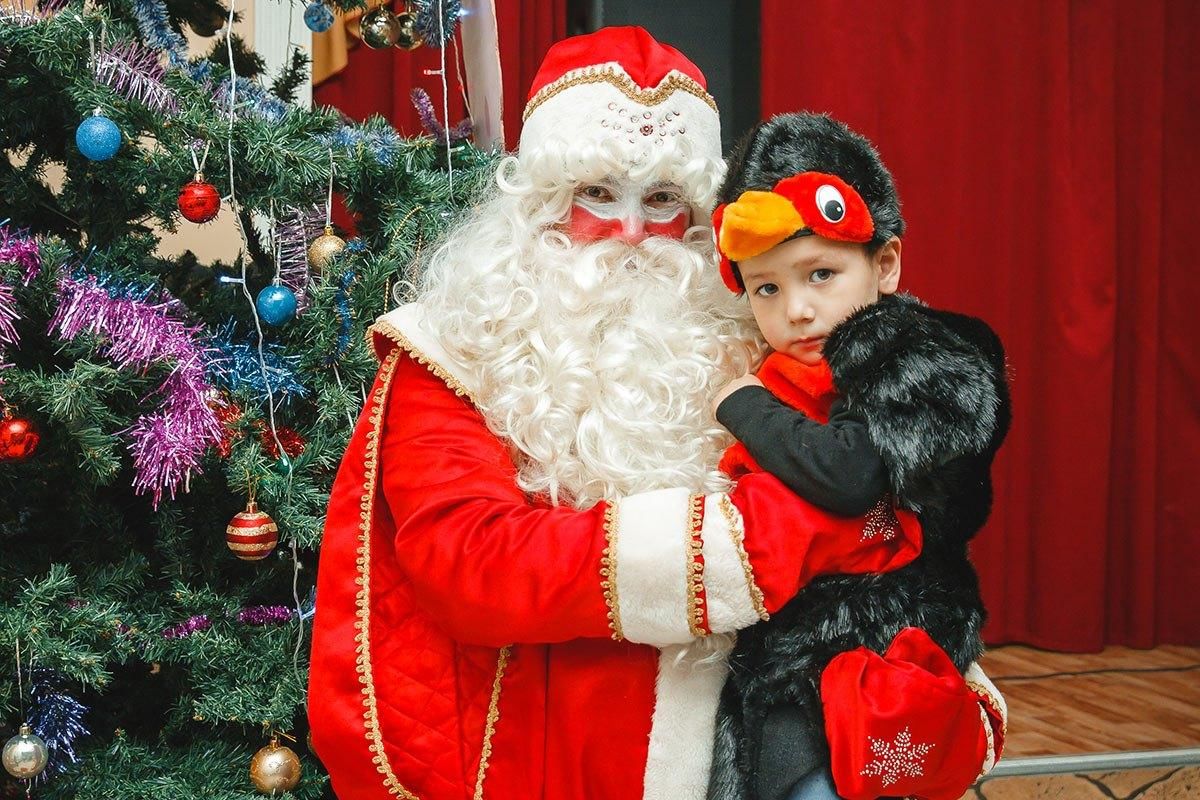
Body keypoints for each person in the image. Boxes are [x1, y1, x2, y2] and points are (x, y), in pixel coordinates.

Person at [307, 28, 999, 800]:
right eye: (597, 194)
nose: (632, 231)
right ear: (538, 204)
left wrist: (933, 684)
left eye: (663, 200)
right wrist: (766, 537)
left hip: (765, 745)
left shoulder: (755, 337)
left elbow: (894, 521)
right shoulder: (452, 346)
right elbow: (469, 563)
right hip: (549, 765)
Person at [705, 113, 1010, 800]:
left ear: (887, 265)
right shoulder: (798, 368)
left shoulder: (914, 355)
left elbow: (850, 475)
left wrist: (743, 404)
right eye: (767, 288)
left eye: (821, 274)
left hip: (885, 639)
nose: (799, 310)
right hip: (799, 645)